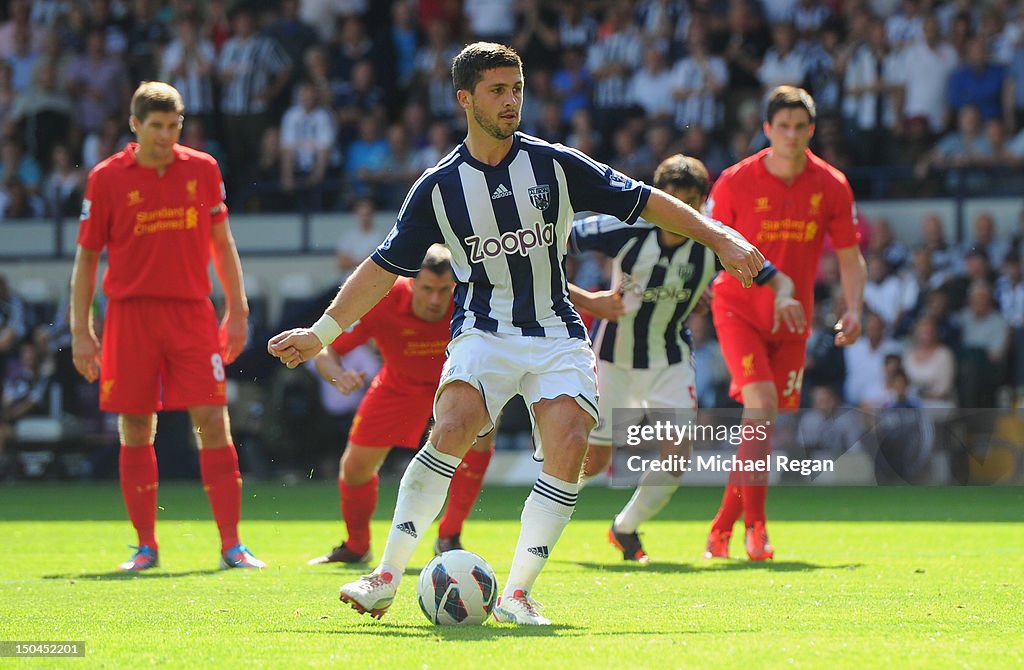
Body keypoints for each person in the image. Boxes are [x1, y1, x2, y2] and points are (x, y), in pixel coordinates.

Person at [268, 43, 763, 625]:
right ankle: (384, 575)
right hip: (484, 328)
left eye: (517, 89)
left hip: (556, 331)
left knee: (572, 442)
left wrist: (721, 237)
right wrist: (322, 332)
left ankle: (517, 593)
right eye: (498, 90)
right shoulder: (438, 187)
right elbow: (382, 266)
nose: (511, 101)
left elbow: (645, 200)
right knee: (452, 426)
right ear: (465, 98)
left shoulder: (555, 165)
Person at [569, 154, 803, 564]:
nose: (679, 212)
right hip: (613, 359)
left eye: (690, 203)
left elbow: (771, 273)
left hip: (670, 360)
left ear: (701, 203)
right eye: (670, 201)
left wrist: (784, 292)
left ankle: (623, 528)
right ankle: (543, 509)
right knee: (596, 459)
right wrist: (588, 300)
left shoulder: (715, 241)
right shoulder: (621, 227)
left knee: (677, 458)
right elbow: (542, 249)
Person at [70, 81, 264, 571]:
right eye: (156, 126)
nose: (165, 135)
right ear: (135, 126)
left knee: (214, 421)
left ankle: (231, 545)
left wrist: (236, 309)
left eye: (173, 126)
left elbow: (223, 244)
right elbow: (87, 260)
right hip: (130, 315)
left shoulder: (202, 168)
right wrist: (81, 330)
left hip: (191, 312)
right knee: (135, 426)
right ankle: (145, 546)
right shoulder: (106, 178)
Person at [705, 85, 866, 561]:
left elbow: (851, 258)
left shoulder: (832, 184)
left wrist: (854, 308)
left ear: (811, 131)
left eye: (800, 127)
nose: (791, 136)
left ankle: (720, 529)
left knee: (764, 422)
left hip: (794, 320)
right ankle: (757, 529)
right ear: (767, 130)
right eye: (783, 127)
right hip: (738, 309)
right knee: (762, 405)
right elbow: (713, 245)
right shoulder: (735, 182)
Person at [307, 245, 495, 565]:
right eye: (426, 289)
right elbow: (325, 349)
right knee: (354, 468)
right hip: (397, 385)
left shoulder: (473, 299)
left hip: (454, 383)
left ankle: (449, 536)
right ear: (411, 282)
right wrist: (338, 376)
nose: (435, 300)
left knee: (483, 438)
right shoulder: (381, 300)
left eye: (443, 290)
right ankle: (357, 546)